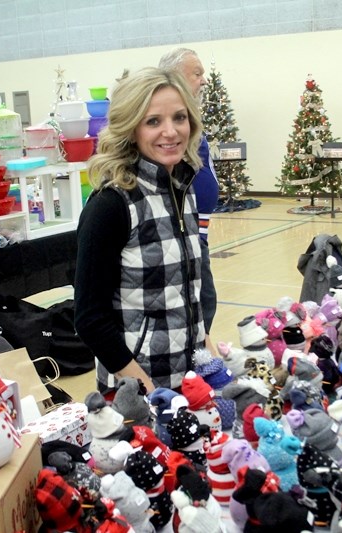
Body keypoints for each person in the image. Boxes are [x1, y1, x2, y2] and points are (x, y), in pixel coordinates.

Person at [74, 67, 205, 394]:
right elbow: (90, 320)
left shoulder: (184, 190)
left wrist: (208, 357)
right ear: (131, 128)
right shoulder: (111, 204)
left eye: (179, 117)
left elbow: (186, 297)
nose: (171, 132)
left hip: (189, 387)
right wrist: (148, 392)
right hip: (138, 396)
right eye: (153, 122)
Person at [159, 48, 220, 350]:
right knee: (202, 299)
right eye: (197, 73)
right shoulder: (166, 134)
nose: (204, 80)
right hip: (184, 230)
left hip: (198, 230)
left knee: (204, 300)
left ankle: (198, 355)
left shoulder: (189, 121)